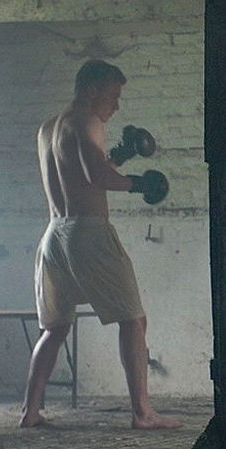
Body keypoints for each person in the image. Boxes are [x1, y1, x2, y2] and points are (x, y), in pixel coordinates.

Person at [20, 59, 177, 429]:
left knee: (55, 328)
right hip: (88, 233)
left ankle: (29, 411)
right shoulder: (88, 120)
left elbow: (79, 169)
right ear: (91, 90)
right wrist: (139, 184)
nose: (116, 105)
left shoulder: (50, 126)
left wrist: (121, 154)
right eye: (113, 95)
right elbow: (96, 175)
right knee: (134, 320)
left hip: (55, 235)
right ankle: (143, 413)